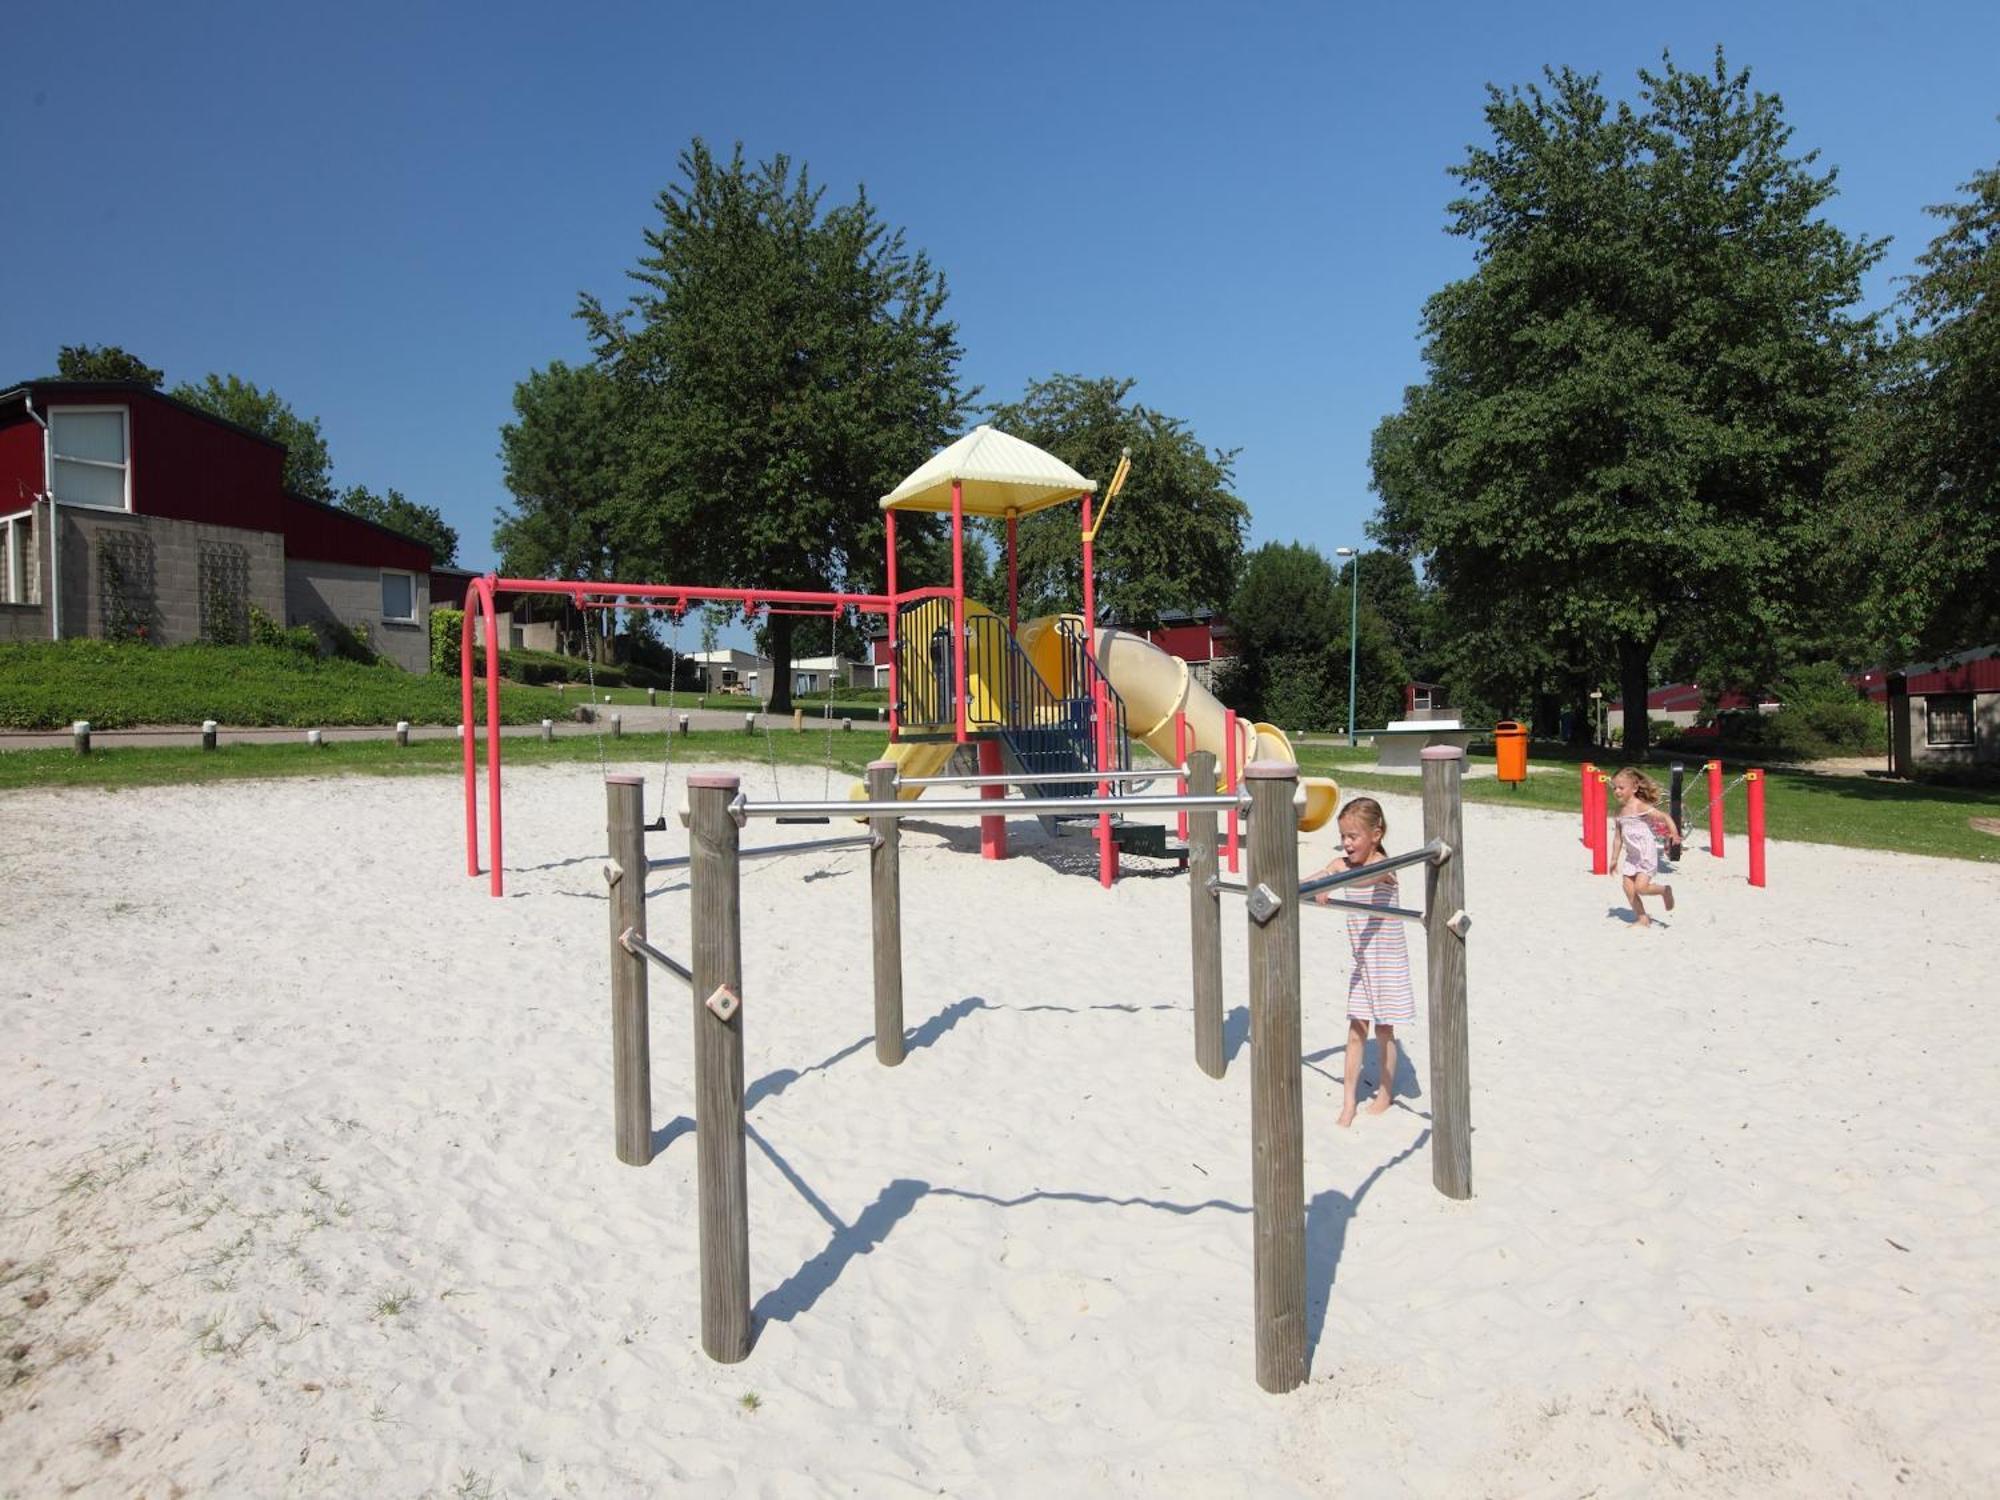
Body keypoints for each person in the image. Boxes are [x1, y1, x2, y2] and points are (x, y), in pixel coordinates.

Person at [1311, 797, 1415, 1126]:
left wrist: (1334, 882)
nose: (1346, 843)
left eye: (1353, 836)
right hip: (1362, 963)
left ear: (1376, 835)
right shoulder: (1341, 865)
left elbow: (1364, 880)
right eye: (1343, 836)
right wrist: (1310, 882)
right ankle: (1348, 1103)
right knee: (1356, 1030)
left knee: (1384, 1030)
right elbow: (1318, 875)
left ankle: (1385, 1093)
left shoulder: (1383, 867)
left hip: (1387, 963)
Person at [1609, 766, 1679, 927]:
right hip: (1632, 857)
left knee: (1641, 887)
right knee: (1628, 887)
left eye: (1621, 787)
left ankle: (1664, 890)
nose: (1617, 791)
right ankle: (1642, 918)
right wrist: (1614, 859)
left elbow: (1664, 816)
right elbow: (1618, 838)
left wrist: (1674, 834)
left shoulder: (1640, 807)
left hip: (1646, 854)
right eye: (1615, 788)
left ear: (1634, 788)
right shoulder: (1619, 812)